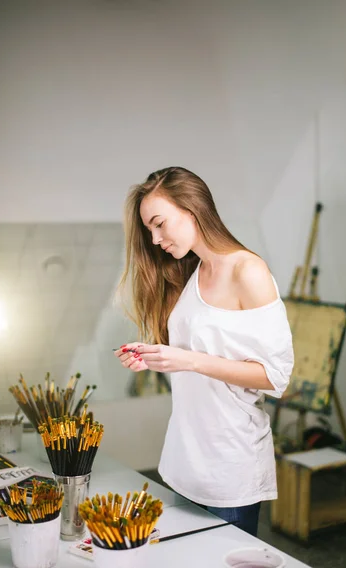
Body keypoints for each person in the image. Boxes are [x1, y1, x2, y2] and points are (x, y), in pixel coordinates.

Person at [114, 166, 294, 536]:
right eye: (149, 229)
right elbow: (197, 355)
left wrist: (188, 360)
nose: (154, 238)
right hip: (186, 457)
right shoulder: (194, 273)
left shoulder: (248, 270)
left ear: (192, 209)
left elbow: (276, 378)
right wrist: (155, 356)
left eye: (159, 224)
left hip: (230, 463)